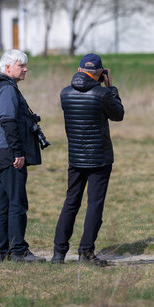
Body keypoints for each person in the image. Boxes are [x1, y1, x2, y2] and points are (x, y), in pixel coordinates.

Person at [51, 53, 125, 266]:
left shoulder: (64, 93)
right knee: (94, 205)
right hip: (99, 159)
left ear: (79, 69)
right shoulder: (102, 94)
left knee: (70, 203)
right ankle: (86, 252)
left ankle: (58, 253)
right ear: (101, 73)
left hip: (75, 158)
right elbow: (118, 114)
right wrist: (112, 88)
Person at [0, 49, 45, 263]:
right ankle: (19, 251)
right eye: (21, 65)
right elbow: (8, 121)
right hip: (9, 153)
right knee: (17, 203)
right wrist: (18, 152)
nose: (26, 69)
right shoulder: (7, 88)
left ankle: (1, 253)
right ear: (7, 68)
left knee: (3, 205)